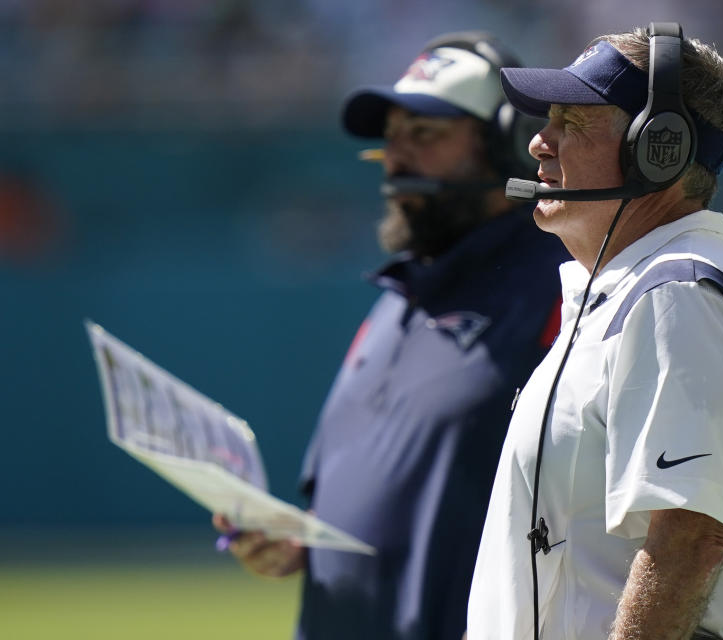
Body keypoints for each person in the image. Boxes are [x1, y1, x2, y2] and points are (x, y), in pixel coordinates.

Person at [466, 22, 723, 640]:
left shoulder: (678, 296)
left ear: (659, 146)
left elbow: (690, 540)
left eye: (572, 121)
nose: (538, 144)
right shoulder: (635, 293)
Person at [214, 31, 569, 640]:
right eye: (393, 136)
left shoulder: (561, 286)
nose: (398, 155)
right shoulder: (397, 300)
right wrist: (298, 540)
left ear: (508, 146)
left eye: (426, 134)